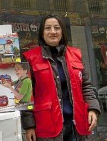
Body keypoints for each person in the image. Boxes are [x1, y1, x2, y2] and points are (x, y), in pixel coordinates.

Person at [22, 13, 101, 141]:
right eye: (48, 28)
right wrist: (29, 126)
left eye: (57, 28)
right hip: (47, 127)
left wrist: (92, 108)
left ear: (62, 32)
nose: (53, 32)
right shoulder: (30, 58)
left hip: (76, 125)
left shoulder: (75, 55)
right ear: (42, 32)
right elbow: (26, 96)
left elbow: (86, 86)